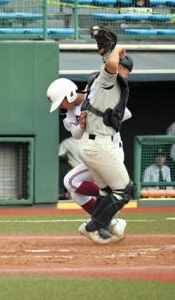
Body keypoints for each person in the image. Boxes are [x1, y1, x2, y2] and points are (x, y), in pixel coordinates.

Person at [47, 77, 132, 239]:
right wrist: (82, 125)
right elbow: (76, 135)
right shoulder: (69, 115)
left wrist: (103, 117)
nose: (61, 107)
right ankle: (110, 221)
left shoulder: (95, 98)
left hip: (110, 152)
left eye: (61, 102)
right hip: (95, 155)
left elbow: (126, 114)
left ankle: (109, 197)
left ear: (70, 94)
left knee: (69, 182)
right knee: (76, 193)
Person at [76, 38, 136, 244]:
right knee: (125, 190)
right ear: (120, 66)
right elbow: (110, 65)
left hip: (91, 143)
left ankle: (97, 225)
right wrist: (117, 48)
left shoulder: (102, 82)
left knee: (107, 191)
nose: (127, 75)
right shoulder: (108, 78)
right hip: (98, 144)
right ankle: (92, 226)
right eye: (126, 70)